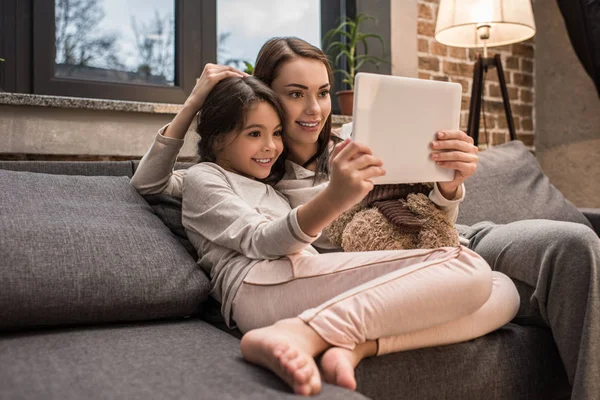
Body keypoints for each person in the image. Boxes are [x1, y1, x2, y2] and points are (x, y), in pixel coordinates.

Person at [251, 37, 600, 400]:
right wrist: (198, 102)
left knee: (575, 244)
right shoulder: (260, 178)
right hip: (417, 269)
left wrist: (450, 186)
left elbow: (429, 210)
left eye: (322, 93)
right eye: (295, 94)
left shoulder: (358, 138)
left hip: (460, 237)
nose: (314, 109)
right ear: (267, 97)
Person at [131, 74, 520, 396]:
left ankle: (353, 345)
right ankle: (297, 334)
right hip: (259, 286)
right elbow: (259, 240)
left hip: (301, 280)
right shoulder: (204, 177)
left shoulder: (271, 184)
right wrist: (195, 99)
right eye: (254, 134)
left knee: (504, 289)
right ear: (217, 139)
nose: (270, 146)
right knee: (465, 264)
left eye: (276, 133)